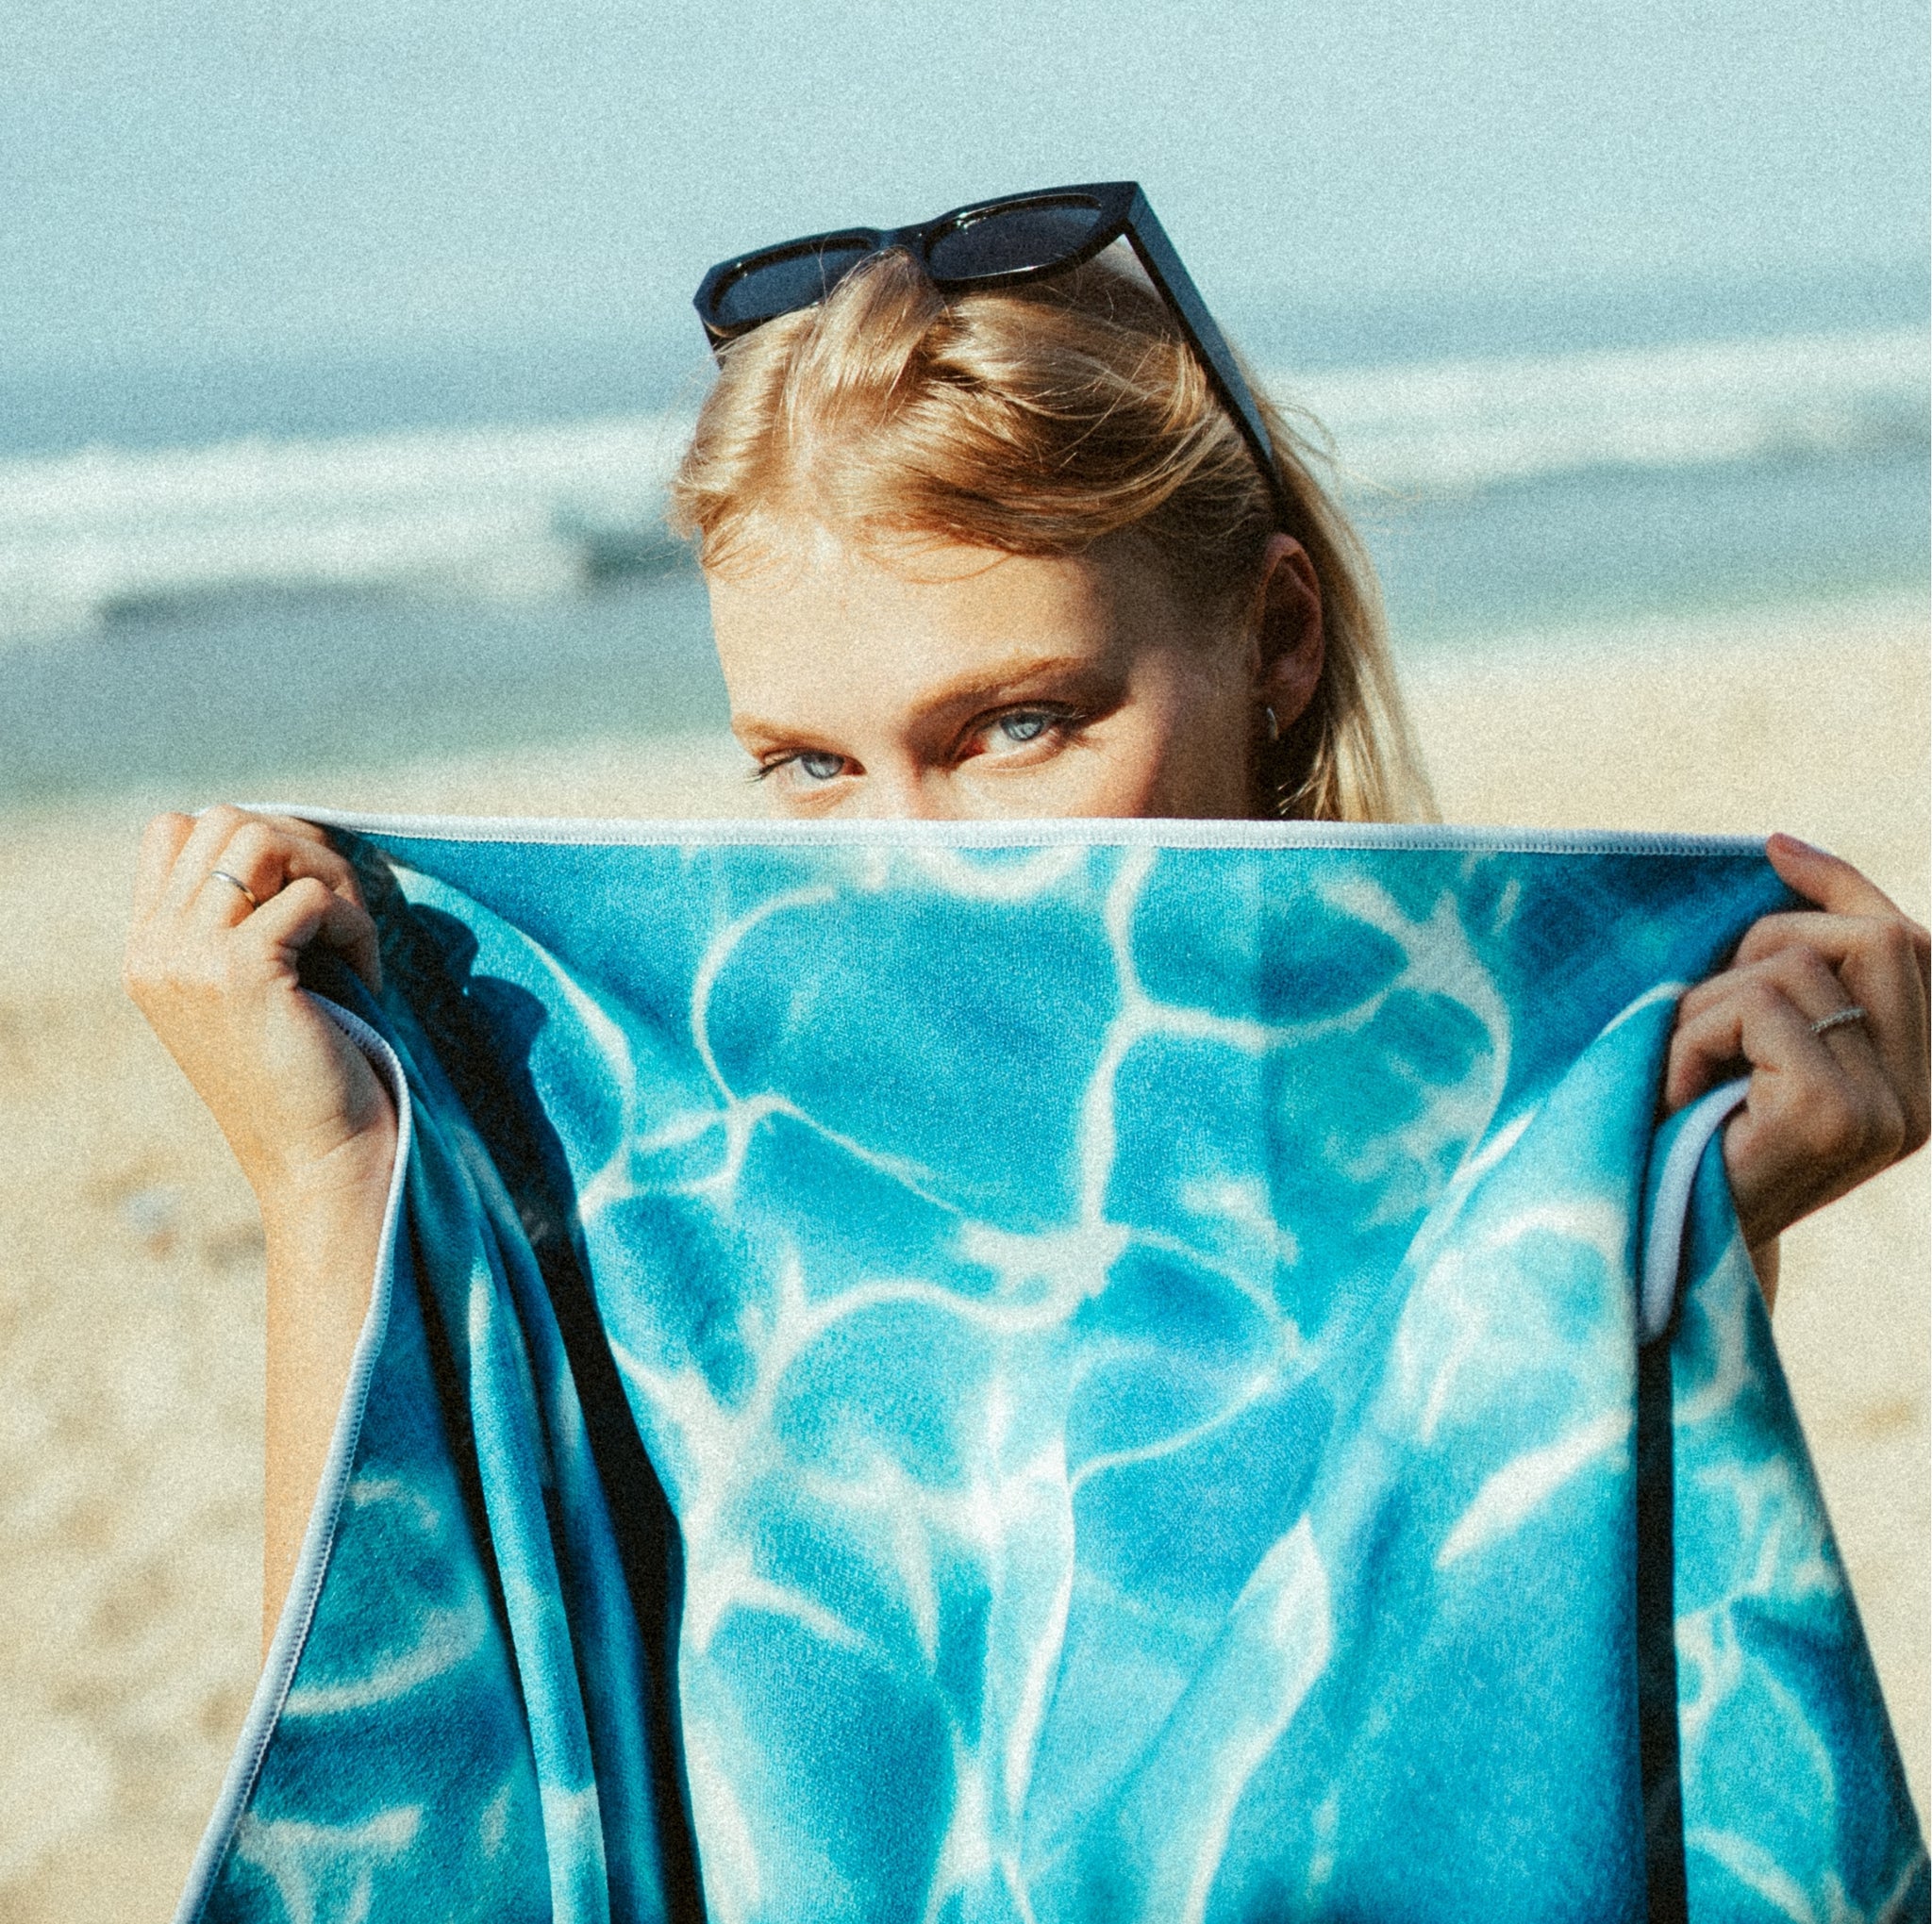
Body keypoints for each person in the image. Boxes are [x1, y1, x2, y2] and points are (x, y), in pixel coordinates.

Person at [122, 185, 1930, 1658]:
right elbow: (424, 1762)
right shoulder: (693, 1174)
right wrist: (334, 1181)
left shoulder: (1527, 1138)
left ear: (1277, 640)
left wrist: (1686, 1231)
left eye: (1015, 724)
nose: (911, 856)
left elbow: (1535, 1770)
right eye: (812, 766)